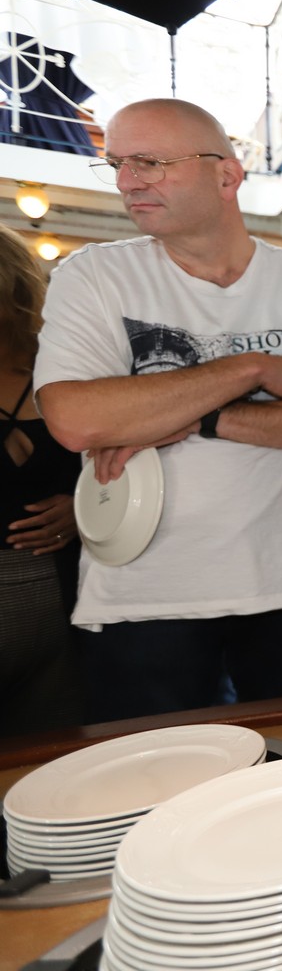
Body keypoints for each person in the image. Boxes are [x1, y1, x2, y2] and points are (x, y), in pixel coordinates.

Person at [34, 99, 282, 722]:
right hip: (143, 595)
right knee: (151, 773)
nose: (128, 181)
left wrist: (193, 418)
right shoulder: (93, 276)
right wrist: (249, 369)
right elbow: (74, 418)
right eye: (119, 164)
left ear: (227, 175)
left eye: (150, 162)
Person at [1, 226, 79, 736]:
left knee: (61, 751)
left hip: (69, 593)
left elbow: (117, 465)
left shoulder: (63, 370)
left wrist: (83, 507)